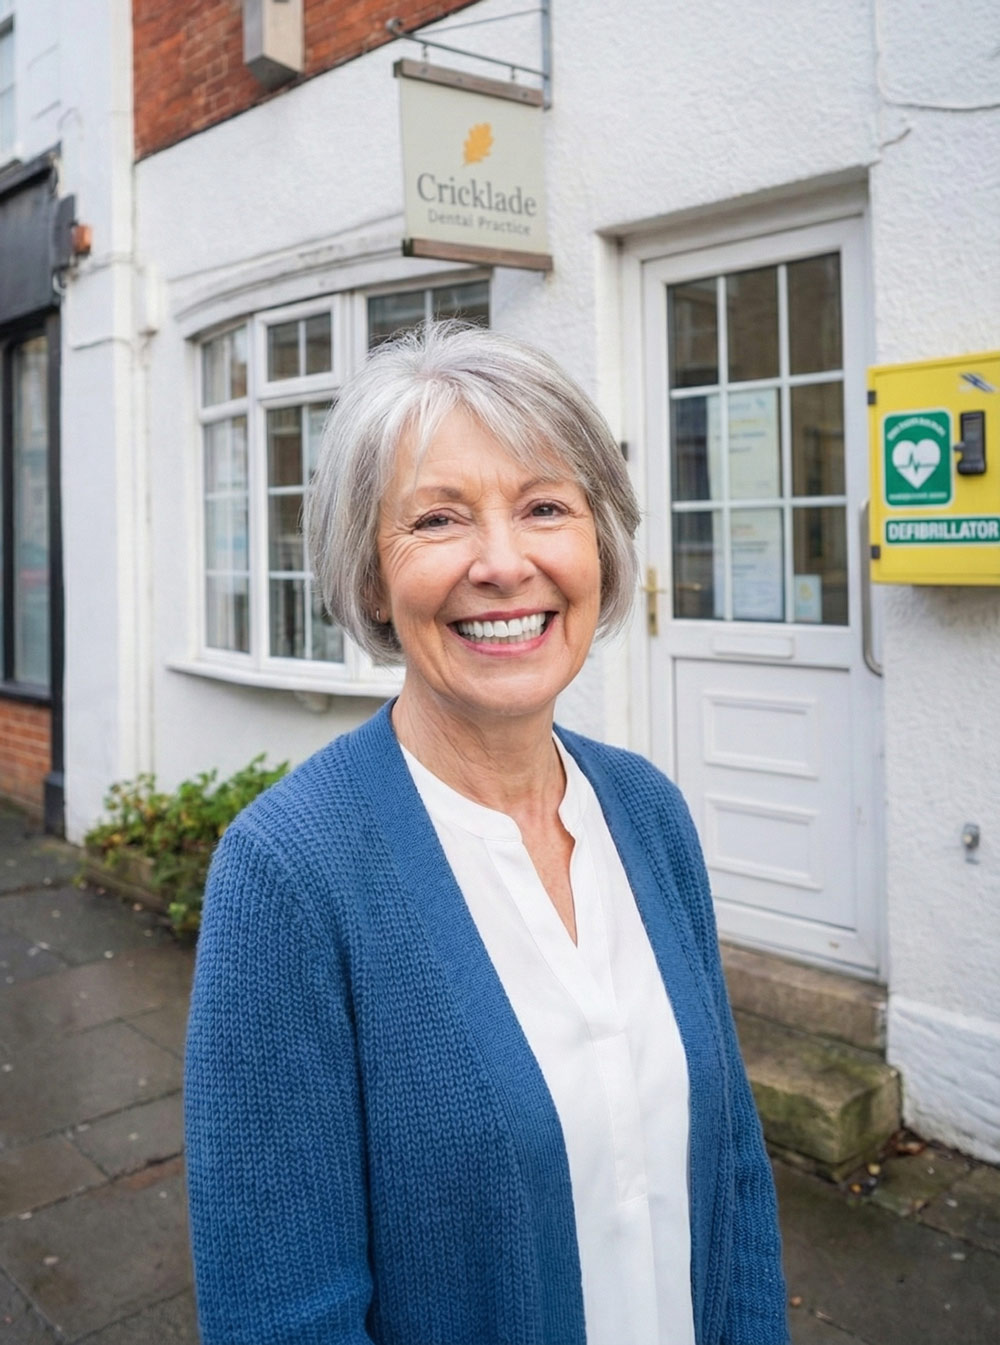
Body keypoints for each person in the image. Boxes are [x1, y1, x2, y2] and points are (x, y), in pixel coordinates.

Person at [185, 322, 789, 1345]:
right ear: (371, 575)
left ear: (598, 543)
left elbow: (732, 1178)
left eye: (546, 507)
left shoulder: (648, 813)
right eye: (438, 519)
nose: (504, 564)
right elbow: (283, 1318)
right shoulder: (287, 875)